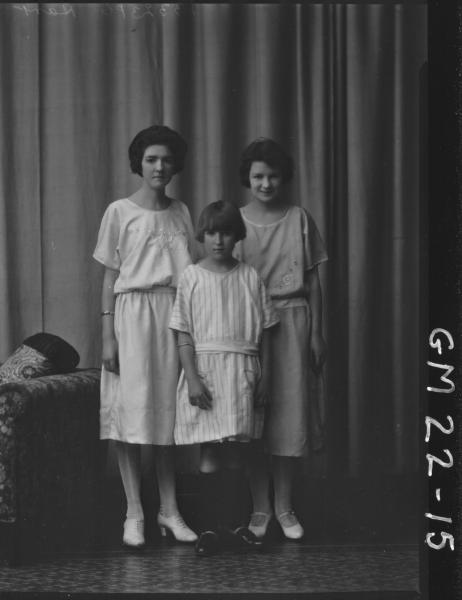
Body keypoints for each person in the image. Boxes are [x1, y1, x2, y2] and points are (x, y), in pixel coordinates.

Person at [93, 125, 198, 548]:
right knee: (130, 414)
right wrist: (108, 336)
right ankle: (133, 510)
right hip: (130, 317)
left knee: (167, 417)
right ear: (139, 162)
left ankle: (169, 510)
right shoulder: (119, 211)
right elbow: (109, 278)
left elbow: (190, 275)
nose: (159, 166)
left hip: (172, 315)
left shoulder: (182, 211)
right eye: (152, 158)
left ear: (176, 165)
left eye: (167, 159)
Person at [169, 201, 279, 556]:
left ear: (237, 235)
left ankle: (236, 527)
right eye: (212, 232)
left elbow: (267, 334)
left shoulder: (249, 276)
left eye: (226, 232)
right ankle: (210, 529)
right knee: (210, 452)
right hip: (207, 373)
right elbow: (183, 333)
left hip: (242, 372)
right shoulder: (191, 276)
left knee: (238, 453)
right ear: (202, 235)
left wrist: (265, 378)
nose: (218, 240)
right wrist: (193, 377)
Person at [234, 138, 328, 541]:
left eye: (273, 176)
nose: (266, 183)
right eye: (258, 176)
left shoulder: (299, 218)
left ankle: (285, 506)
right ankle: (259, 508)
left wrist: (317, 333)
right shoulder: (235, 222)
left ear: (283, 178)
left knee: (290, 417)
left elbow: (313, 280)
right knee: (255, 418)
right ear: (247, 179)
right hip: (251, 326)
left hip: (293, 322)